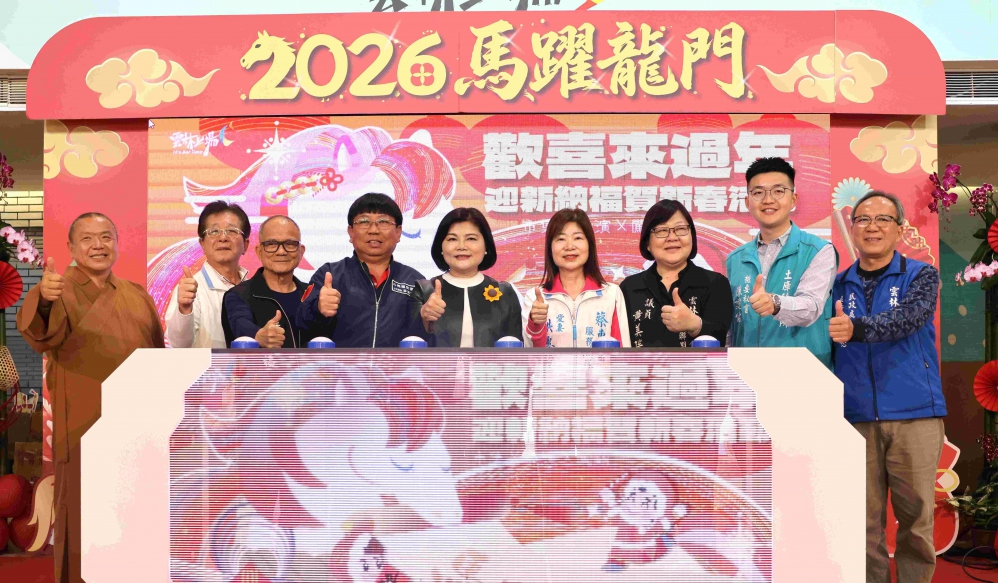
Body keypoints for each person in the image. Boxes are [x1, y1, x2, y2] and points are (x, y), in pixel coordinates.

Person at [16, 212, 164, 582]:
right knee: (85, 513)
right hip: (84, 424)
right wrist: (44, 299)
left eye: (106, 237)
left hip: (137, 426)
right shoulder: (58, 290)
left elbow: (157, 357)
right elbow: (40, 334)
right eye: (87, 238)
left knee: (135, 513)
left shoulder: (137, 294)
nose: (98, 245)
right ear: (70, 247)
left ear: (117, 243)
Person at [830, 191, 945, 583]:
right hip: (854, 417)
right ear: (852, 229)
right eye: (863, 219)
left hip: (915, 414)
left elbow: (909, 318)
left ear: (899, 229)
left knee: (916, 521)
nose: (872, 227)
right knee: (861, 523)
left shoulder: (921, 275)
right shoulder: (836, 285)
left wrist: (856, 328)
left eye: (883, 219)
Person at [726, 157, 836, 367]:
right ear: (748, 202)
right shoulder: (735, 259)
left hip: (803, 374)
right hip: (748, 373)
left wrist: (775, 303)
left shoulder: (819, 251)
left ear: (793, 199)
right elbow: (732, 326)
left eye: (778, 191)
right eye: (758, 193)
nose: (768, 200)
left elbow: (811, 307)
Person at [298, 193, 425, 348]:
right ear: (351, 232)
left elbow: (429, 338)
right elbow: (301, 325)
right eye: (364, 221)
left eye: (383, 222)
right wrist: (318, 308)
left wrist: (430, 321)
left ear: (398, 232)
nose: (374, 230)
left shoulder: (415, 281)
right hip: (339, 364)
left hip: (395, 365)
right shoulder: (330, 275)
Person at [619, 200, 733, 347]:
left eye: (680, 229)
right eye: (661, 231)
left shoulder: (716, 284)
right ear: (647, 243)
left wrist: (696, 325)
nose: (672, 237)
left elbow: (721, 336)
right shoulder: (628, 288)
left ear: (692, 236)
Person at [411, 208, 522, 347]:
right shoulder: (423, 291)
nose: (461, 246)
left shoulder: (505, 293)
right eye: (452, 239)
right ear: (441, 247)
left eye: (471, 239)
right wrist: (423, 317)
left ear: (486, 246)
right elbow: (407, 346)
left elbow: (516, 351)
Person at [523, 208, 630, 348]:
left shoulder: (611, 294)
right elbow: (529, 354)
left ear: (589, 244)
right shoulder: (535, 298)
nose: (569, 246)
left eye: (578, 238)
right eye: (561, 239)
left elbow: (623, 353)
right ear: (550, 248)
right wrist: (535, 324)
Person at [164, 201, 250, 348]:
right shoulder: (190, 290)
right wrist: (184, 309)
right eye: (214, 231)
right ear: (202, 244)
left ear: (245, 245)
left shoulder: (254, 289)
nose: (223, 238)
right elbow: (179, 345)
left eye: (231, 231)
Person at [222, 215, 309, 348]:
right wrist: (258, 335)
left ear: (301, 251)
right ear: (259, 252)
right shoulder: (238, 295)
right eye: (271, 244)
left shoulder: (312, 295)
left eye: (290, 244)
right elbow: (240, 324)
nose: (281, 251)